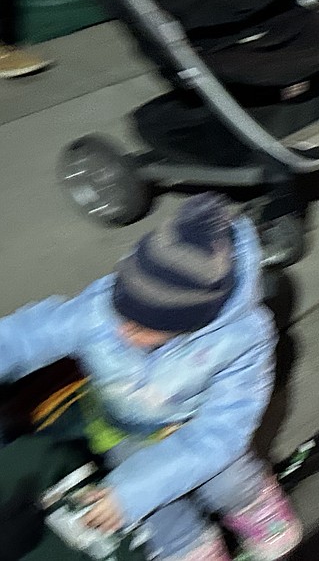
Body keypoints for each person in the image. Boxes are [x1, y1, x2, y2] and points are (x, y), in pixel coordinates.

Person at [0, 194, 300, 561]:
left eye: (142, 327)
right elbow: (32, 334)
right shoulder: (103, 310)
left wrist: (132, 492)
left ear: (191, 325)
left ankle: (254, 506)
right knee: (154, 515)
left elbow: (220, 433)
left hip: (198, 430)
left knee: (226, 481)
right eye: (121, 314)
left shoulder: (241, 340)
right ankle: (190, 548)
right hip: (124, 430)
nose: (123, 331)